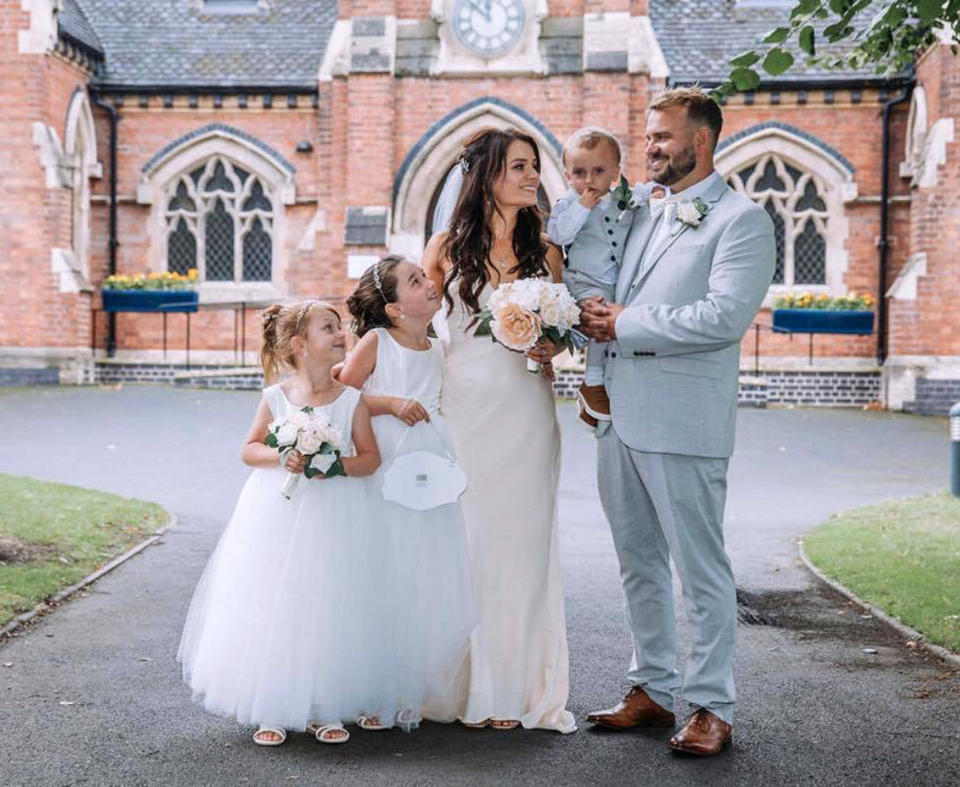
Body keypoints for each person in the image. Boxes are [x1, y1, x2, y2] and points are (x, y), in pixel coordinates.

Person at [579, 87, 776, 756]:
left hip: (686, 419)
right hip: (618, 417)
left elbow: (722, 318)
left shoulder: (742, 221)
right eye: (649, 135)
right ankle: (654, 686)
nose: (651, 147)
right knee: (638, 562)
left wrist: (625, 322)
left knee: (700, 569)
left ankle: (712, 704)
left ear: (701, 141)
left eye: (663, 136)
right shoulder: (644, 215)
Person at [422, 126, 576, 734]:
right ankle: (454, 682)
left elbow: (560, 339)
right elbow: (419, 323)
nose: (531, 176)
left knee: (520, 543)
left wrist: (548, 348)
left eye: (533, 166)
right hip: (462, 407)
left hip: (524, 410)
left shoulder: (548, 252)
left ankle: (508, 690)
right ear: (486, 174)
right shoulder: (444, 247)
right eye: (518, 166)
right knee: (464, 540)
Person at [178, 300, 383, 747]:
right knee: (276, 602)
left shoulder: (352, 400)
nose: (341, 334)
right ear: (299, 344)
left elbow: (370, 459)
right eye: (328, 328)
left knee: (329, 604)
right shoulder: (276, 397)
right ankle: (271, 704)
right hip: (278, 514)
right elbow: (249, 449)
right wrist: (282, 456)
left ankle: (323, 706)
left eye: (341, 327)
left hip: (337, 516)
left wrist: (334, 465)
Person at [338, 254, 476, 729]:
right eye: (415, 282)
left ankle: (411, 684)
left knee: (424, 570)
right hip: (387, 460)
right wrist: (392, 403)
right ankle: (370, 686)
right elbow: (341, 397)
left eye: (425, 276)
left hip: (433, 461)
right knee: (385, 567)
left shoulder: (439, 347)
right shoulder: (377, 342)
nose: (430, 283)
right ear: (395, 308)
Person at [546, 126, 660, 428]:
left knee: (617, 330)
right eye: (579, 172)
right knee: (598, 322)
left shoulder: (623, 197)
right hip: (585, 280)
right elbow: (559, 234)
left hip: (619, 282)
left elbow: (643, 193)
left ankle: (606, 386)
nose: (589, 180)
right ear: (568, 176)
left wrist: (656, 191)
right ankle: (592, 382)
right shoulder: (568, 205)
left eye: (598, 171)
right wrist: (583, 204)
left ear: (615, 173)